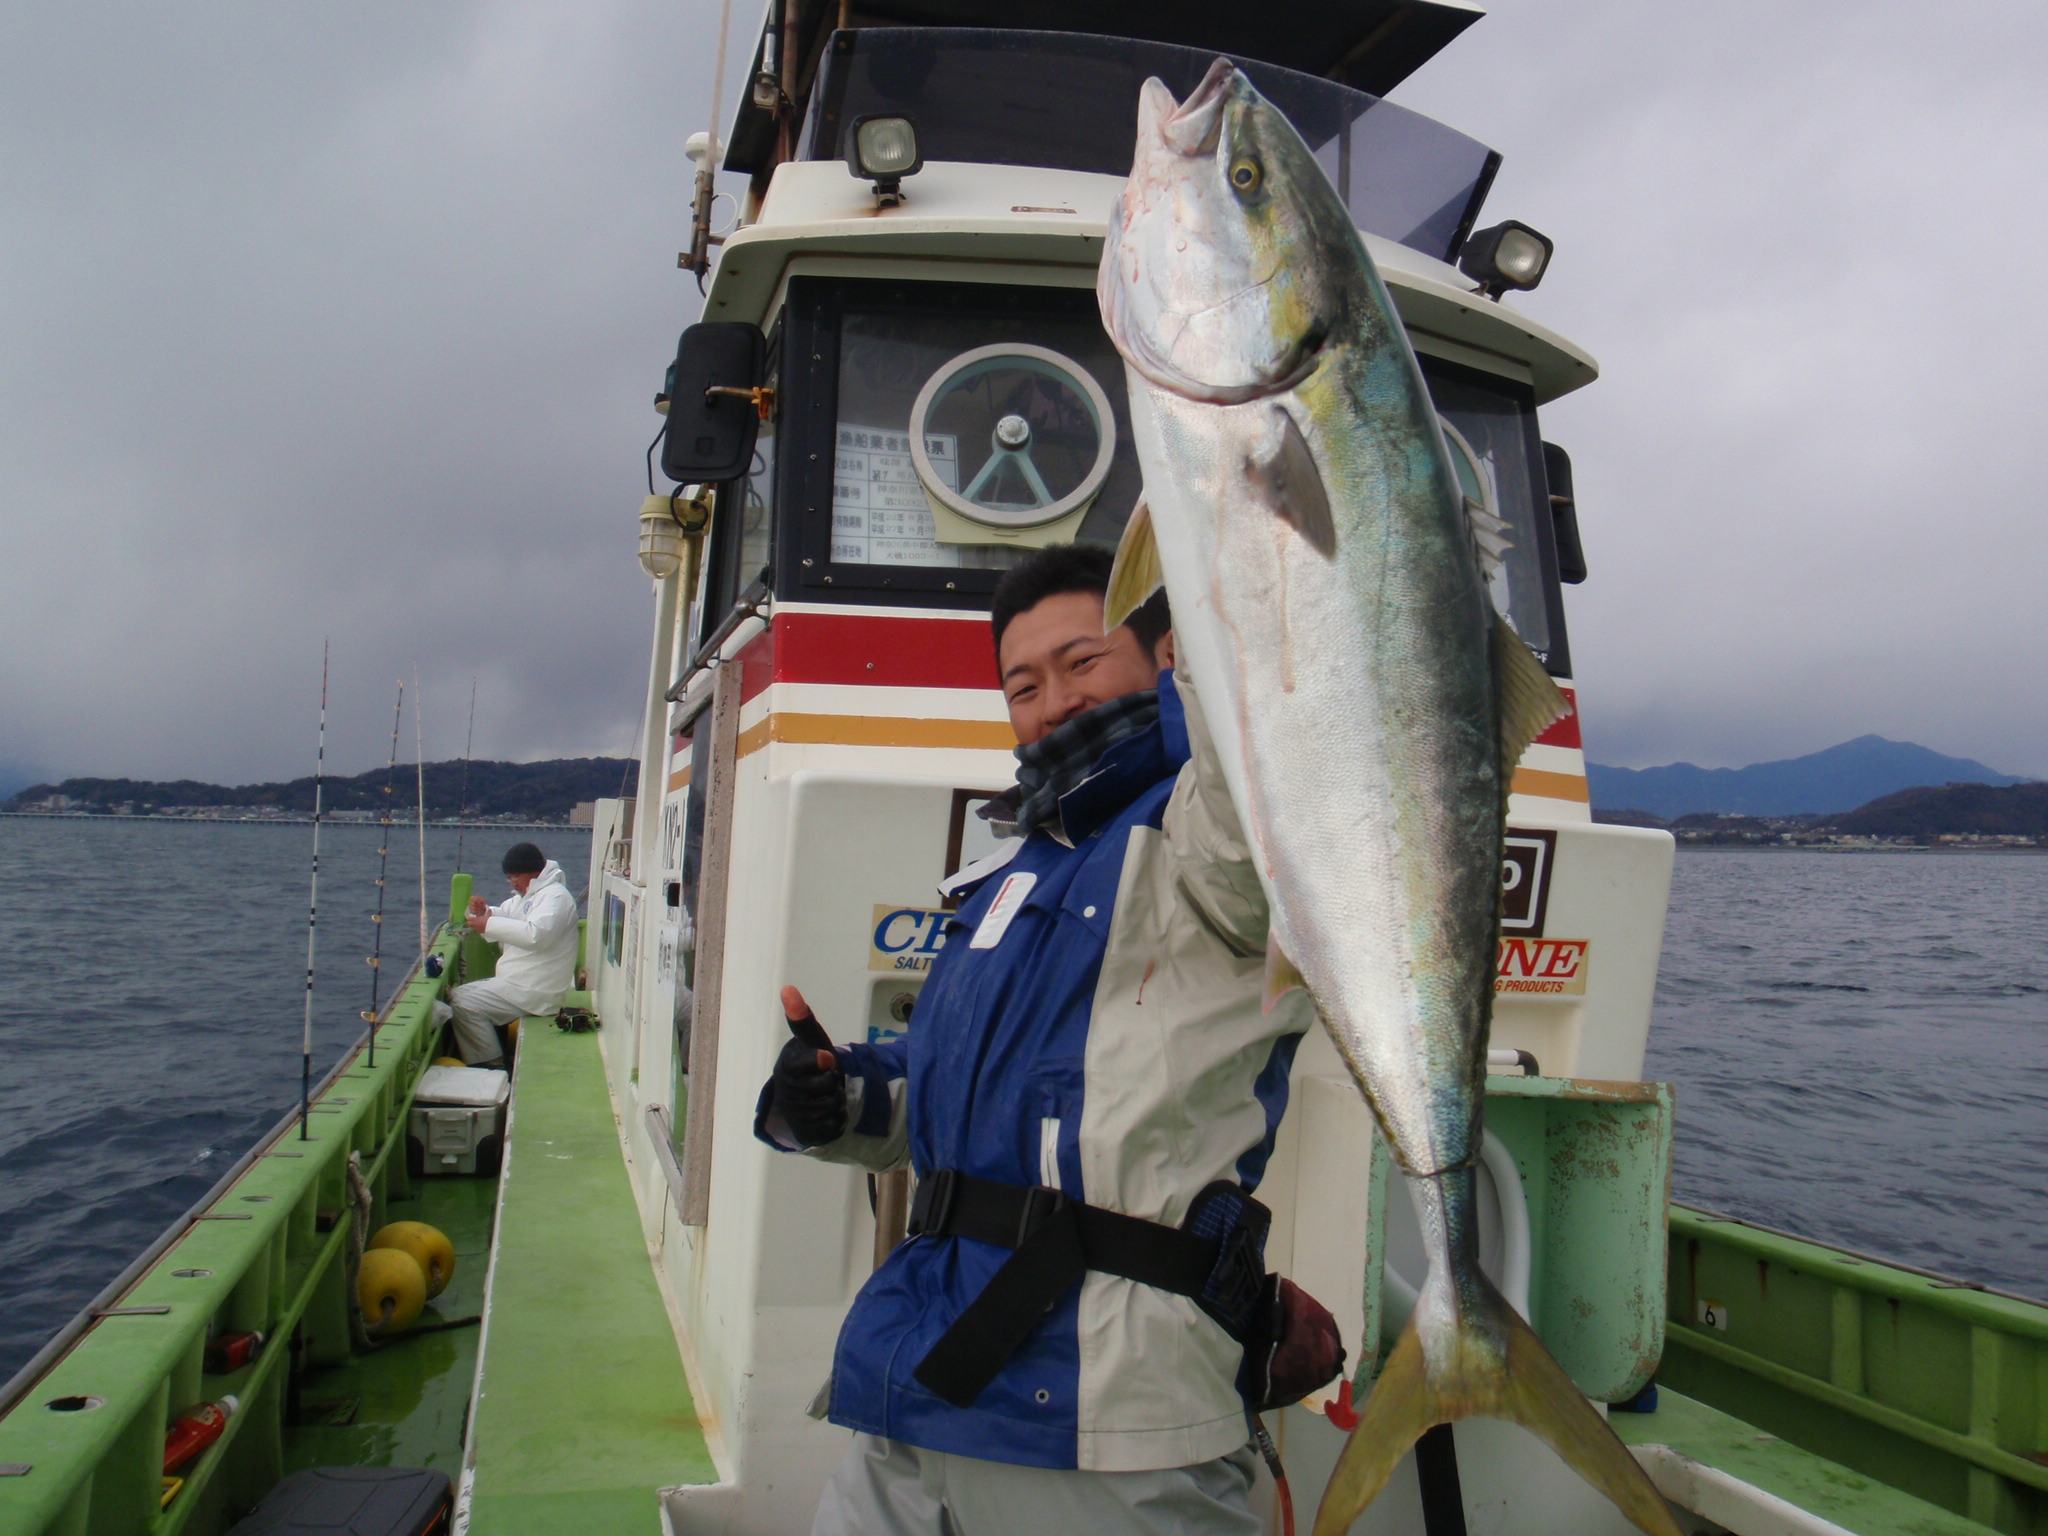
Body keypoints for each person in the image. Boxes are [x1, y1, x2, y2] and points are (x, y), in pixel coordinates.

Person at [757, 544, 1335, 1536]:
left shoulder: (1207, 836)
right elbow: (951, 1097)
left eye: (1081, 661)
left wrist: (1221, 540)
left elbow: (1259, 742)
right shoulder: (1008, 871)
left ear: (1171, 658)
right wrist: (839, 1097)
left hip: (1109, 1409)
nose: (1052, 702)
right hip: (919, 1381)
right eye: (1022, 684)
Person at [440, 842, 579, 1069]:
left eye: (515, 877)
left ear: (534, 872)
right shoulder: (530, 896)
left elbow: (536, 935)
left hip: (536, 991)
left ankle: (491, 1064)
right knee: (458, 995)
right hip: (520, 984)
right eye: (509, 878)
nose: (513, 883)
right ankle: (491, 1059)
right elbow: (507, 914)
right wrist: (483, 912)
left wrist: (489, 924)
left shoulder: (556, 897)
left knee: (463, 1002)